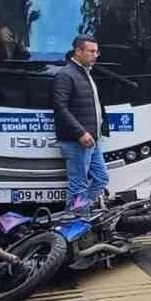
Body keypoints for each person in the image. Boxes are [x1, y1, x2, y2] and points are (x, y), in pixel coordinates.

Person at [50, 36, 110, 211]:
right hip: (77, 141)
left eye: (96, 51)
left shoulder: (85, 73)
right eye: (91, 51)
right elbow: (60, 108)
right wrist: (80, 133)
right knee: (78, 186)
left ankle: (82, 211)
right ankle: (74, 222)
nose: (95, 55)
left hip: (93, 139)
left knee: (101, 178)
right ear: (78, 51)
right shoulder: (66, 75)